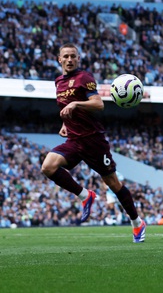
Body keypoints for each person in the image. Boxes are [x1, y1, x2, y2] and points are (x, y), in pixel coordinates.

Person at [41, 43, 146, 242]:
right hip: (73, 140)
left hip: (93, 141)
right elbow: (65, 107)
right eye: (66, 56)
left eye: (73, 56)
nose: (70, 60)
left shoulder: (84, 78)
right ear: (59, 59)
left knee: (113, 184)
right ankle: (84, 196)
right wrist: (65, 123)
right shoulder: (58, 82)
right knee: (48, 167)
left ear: (78, 59)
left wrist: (76, 103)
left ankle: (137, 223)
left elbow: (98, 104)